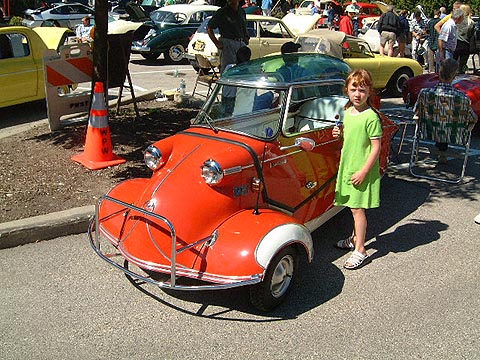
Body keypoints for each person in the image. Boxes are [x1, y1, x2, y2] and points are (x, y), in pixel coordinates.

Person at [332, 69, 382, 270]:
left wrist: (363, 171)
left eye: (362, 90)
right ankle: (354, 238)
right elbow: (349, 137)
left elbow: (376, 147)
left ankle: (360, 248)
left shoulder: (371, 117)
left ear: (370, 92)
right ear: (347, 90)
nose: (357, 94)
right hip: (349, 165)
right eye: (353, 89)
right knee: (351, 206)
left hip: (362, 168)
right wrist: (338, 133)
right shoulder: (347, 113)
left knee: (357, 209)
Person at [413, 58, 477, 163]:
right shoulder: (462, 98)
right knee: (448, 120)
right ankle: (443, 152)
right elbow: (472, 118)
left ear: (439, 73)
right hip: (454, 134)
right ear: (454, 76)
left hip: (428, 131)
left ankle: (440, 151)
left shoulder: (424, 93)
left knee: (439, 119)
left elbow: (416, 111)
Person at [207, 0, 250, 73]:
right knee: (228, 69)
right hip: (228, 42)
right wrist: (217, 43)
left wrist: (246, 38)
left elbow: (244, 27)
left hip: (241, 43)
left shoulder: (241, 11)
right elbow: (209, 28)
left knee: (243, 69)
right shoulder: (222, 12)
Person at [454, 4, 474, 74]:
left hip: (456, 43)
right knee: (462, 65)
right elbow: (471, 35)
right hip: (466, 45)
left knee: (453, 65)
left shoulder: (457, 21)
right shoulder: (471, 22)